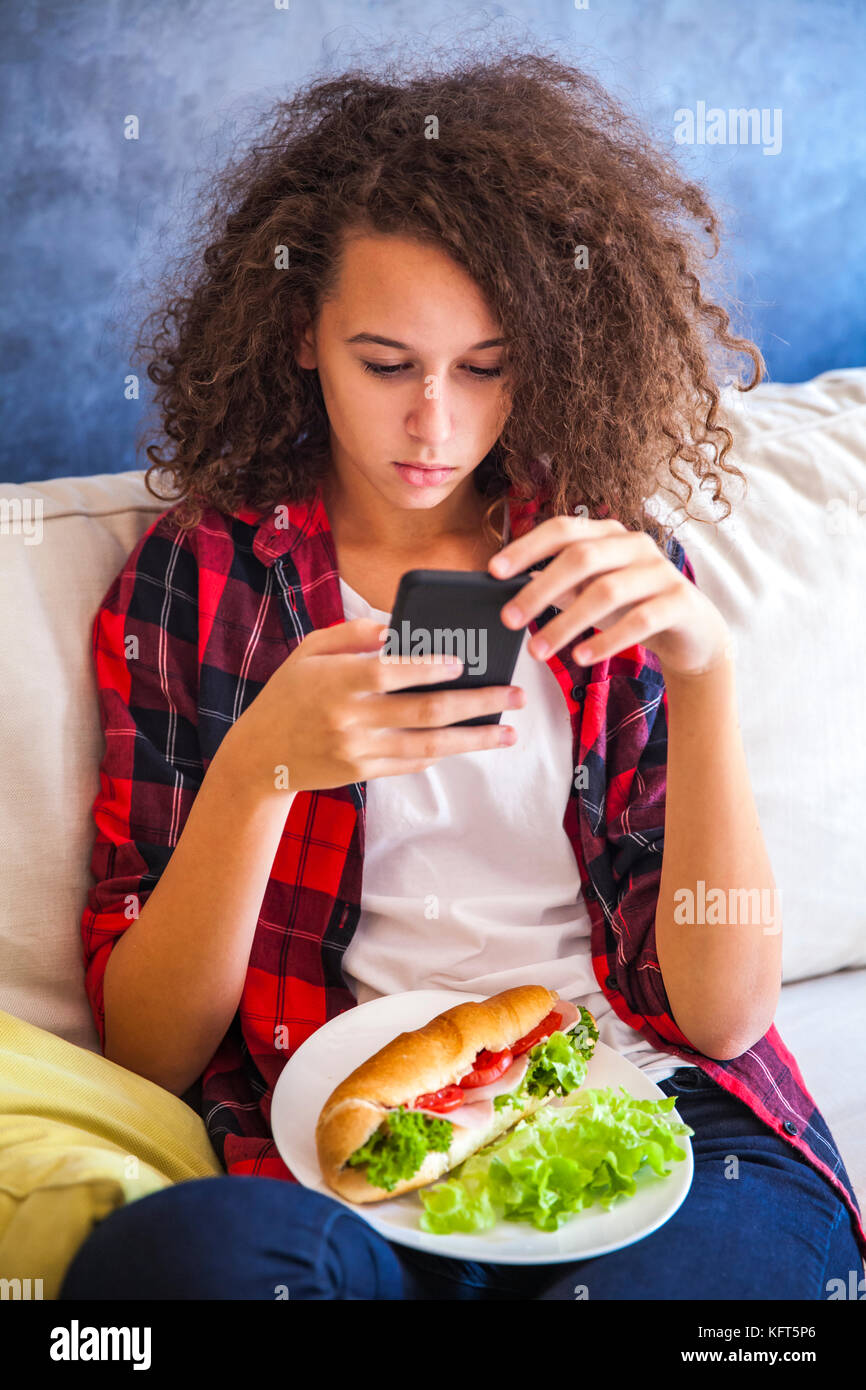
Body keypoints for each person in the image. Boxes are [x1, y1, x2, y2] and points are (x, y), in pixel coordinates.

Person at [59, 45, 865, 1300]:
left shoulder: (605, 563)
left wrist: (702, 679)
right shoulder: (196, 580)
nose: (433, 423)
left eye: (483, 367)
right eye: (386, 365)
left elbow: (718, 1017)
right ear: (298, 335)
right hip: (341, 1151)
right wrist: (262, 765)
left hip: (649, 1106)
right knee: (170, 1275)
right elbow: (152, 1052)